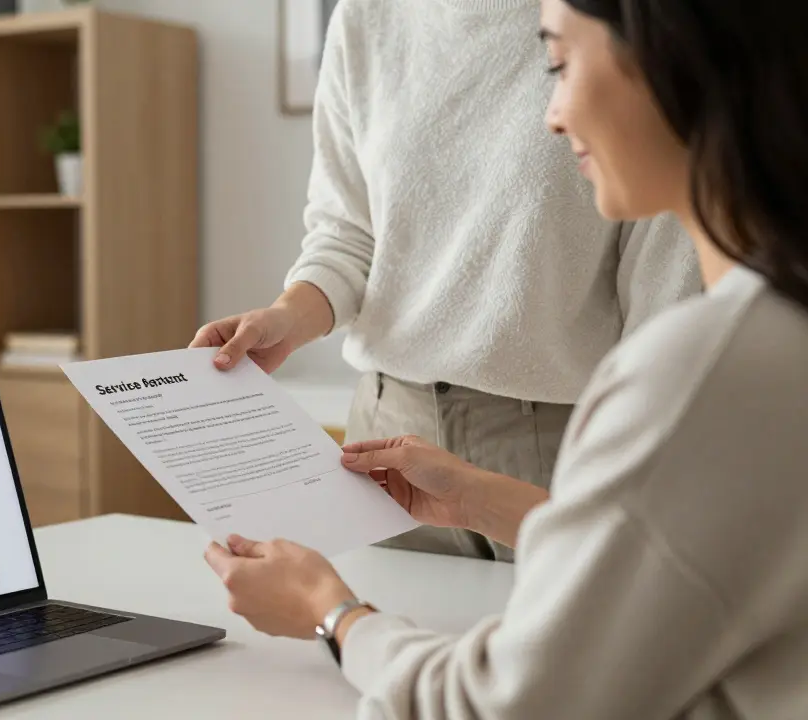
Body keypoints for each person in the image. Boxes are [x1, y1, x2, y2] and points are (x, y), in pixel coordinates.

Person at [204, 0, 808, 716]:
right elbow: (345, 229)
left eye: (558, 64)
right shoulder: (770, 334)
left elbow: (505, 703)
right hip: (401, 438)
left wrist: (328, 612)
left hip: (562, 430)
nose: (553, 115)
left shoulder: (698, 375)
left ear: (670, 59)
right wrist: (484, 499)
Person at [191, 0, 701, 562]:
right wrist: (286, 318)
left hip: (556, 446)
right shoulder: (365, 18)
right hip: (384, 436)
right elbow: (347, 232)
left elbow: (666, 301)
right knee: (363, 639)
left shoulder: (615, 20)